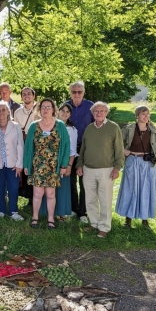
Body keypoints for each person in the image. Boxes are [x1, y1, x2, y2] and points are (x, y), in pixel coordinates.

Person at [76, 102, 124, 239]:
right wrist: (79, 165)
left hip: (107, 170)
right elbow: (83, 149)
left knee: (105, 199)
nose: (99, 113)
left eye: (102, 111)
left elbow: (119, 151)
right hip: (88, 169)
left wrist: (117, 168)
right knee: (90, 199)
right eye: (96, 111)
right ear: (92, 113)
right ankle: (94, 223)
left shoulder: (113, 128)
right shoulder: (89, 128)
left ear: (106, 113)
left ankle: (104, 227)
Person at [23, 98, 70, 230]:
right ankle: (35, 217)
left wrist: (64, 165)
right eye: (43, 107)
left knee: (50, 194)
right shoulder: (34, 126)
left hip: (53, 166)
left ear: (53, 109)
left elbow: (66, 146)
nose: (46, 109)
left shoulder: (60, 125)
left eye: (48, 107)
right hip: (37, 165)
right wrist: (26, 164)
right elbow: (28, 147)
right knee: (37, 193)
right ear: (39, 109)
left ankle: (50, 219)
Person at [115, 105, 156, 230]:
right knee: (130, 189)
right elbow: (116, 142)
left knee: (146, 190)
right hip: (132, 161)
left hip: (148, 163)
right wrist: (124, 151)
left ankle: (145, 220)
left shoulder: (154, 130)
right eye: (143, 114)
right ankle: (128, 220)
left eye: (147, 114)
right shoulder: (129, 129)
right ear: (137, 116)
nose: (146, 117)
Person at [39, 103, 77, 221]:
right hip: (49, 163)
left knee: (62, 189)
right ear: (57, 111)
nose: (64, 113)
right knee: (49, 189)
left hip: (63, 163)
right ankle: (49, 212)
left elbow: (72, 150)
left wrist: (69, 165)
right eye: (62, 110)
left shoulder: (71, 129)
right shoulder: (52, 125)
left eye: (67, 112)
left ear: (70, 114)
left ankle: (61, 213)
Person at [67, 81, 94, 224]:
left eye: (79, 92)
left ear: (84, 92)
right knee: (71, 181)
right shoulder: (65, 106)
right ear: (70, 92)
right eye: (74, 92)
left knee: (84, 182)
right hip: (70, 149)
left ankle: (83, 212)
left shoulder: (91, 106)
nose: (76, 94)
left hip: (85, 149)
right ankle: (73, 208)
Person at [0, 101, 24, 221]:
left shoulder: (15, 126)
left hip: (13, 164)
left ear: (8, 112)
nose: (1, 112)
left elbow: (20, 146)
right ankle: (1, 210)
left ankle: (13, 211)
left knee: (13, 188)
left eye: (3, 110)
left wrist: (19, 165)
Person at [14, 87, 40, 202]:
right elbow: (16, 128)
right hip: (23, 141)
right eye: (24, 94)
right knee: (25, 166)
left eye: (29, 94)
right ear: (21, 97)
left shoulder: (39, 109)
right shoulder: (18, 112)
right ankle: (25, 193)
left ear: (33, 96)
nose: (26, 96)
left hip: (36, 143)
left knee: (34, 167)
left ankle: (34, 197)